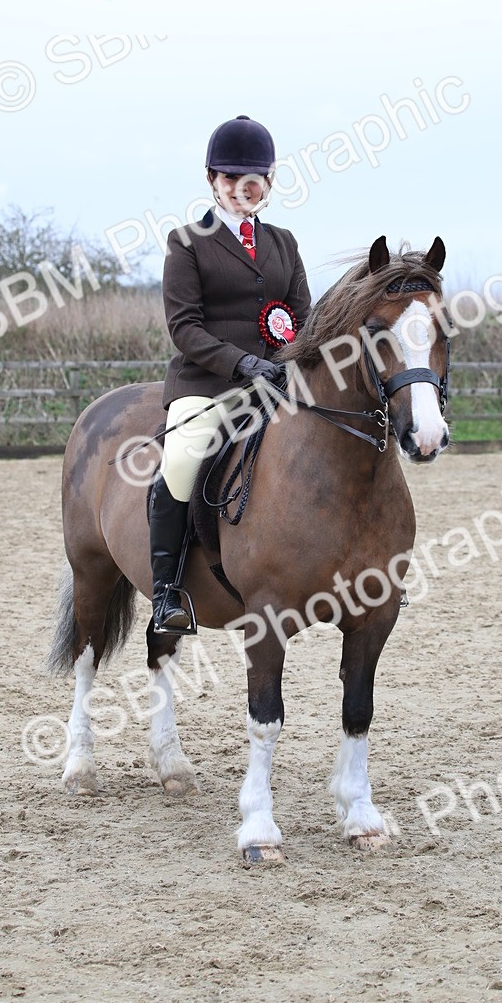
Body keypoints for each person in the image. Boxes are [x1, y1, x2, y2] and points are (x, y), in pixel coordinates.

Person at [149, 115, 311, 630]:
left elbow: (303, 319)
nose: (244, 188)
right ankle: (166, 593)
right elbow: (185, 327)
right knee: (180, 459)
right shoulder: (188, 242)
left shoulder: (284, 242)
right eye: (231, 178)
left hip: (277, 381)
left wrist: (292, 364)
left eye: (255, 179)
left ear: (270, 181)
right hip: (209, 383)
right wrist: (242, 362)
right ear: (211, 179)